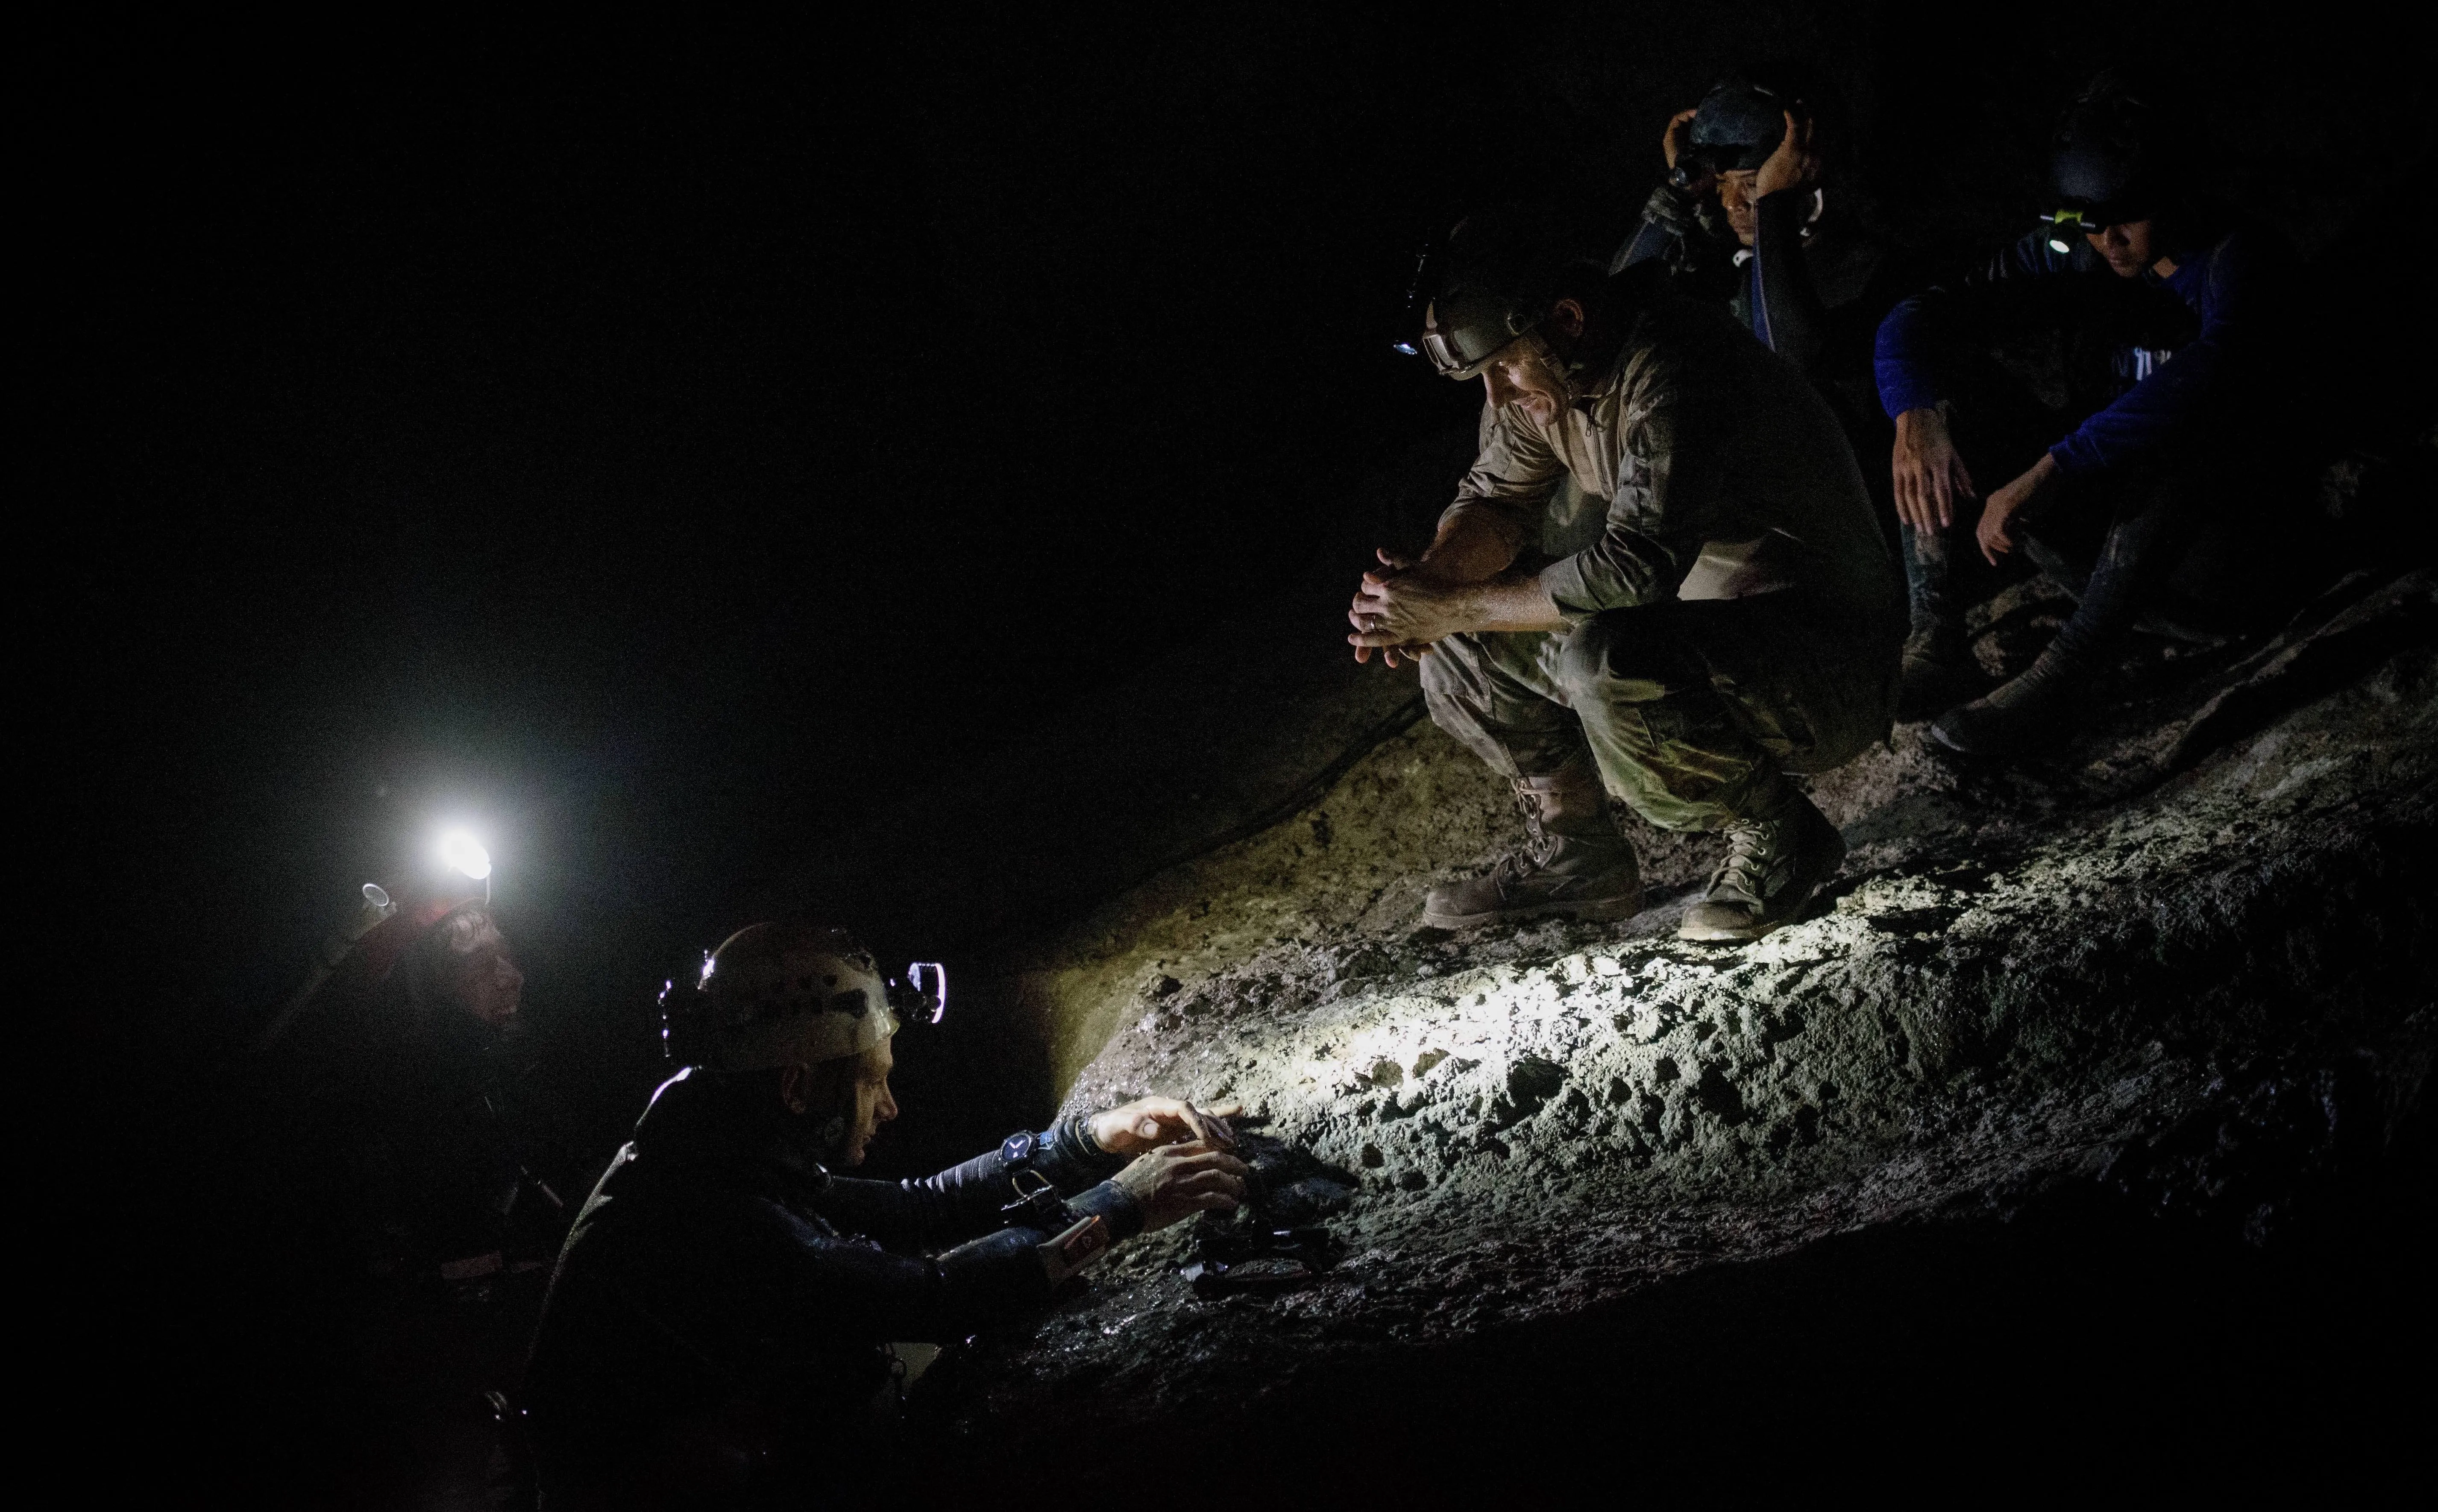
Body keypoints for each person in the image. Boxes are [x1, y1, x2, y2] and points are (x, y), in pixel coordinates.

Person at [522, 920, 1250, 1507]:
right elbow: (932, 1300)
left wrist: (1089, 1142)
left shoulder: (713, 1138)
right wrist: (1122, 1206)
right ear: (798, 1086)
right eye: (873, 1083)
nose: (890, 1107)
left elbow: (917, 1206)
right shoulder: (711, 1212)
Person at [1361, 205, 1904, 943]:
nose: (1496, 396)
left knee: (1604, 657)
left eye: (1502, 367)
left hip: (1824, 665)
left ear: (1568, 318)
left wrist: (1452, 605)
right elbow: (1494, 501)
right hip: (1718, 641)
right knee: (1464, 643)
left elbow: (1634, 568)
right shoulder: (1555, 372)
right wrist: (1422, 590)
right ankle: (1576, 855)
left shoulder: (1672, 366)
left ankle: (1780, 834)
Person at [1876, 71, 2314, 747]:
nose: (2105, 238)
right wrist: (1914, 413)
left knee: (2185, 433)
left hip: (2218, 571)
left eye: (2124, 216)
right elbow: (1916, 317)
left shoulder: (2239, 261)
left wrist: (2056, 465)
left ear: (2176, 190)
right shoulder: (2081, 247)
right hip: (2107, 547)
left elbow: (2203, 377)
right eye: (2088, 219)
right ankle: (1935, 642)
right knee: (1940, 393)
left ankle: (2063, 676)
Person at [1615, 74, 1915, 446]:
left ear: (1809, 172)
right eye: (1722, 183)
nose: (1730, 203)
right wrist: (1679, 191)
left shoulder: (1871, 269)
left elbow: (1786, 367)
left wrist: (1775, 204)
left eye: (1752, 184)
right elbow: (1615, 316)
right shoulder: (1731, 265)